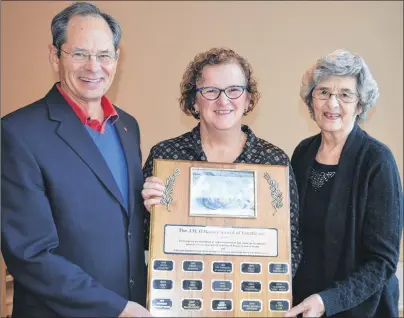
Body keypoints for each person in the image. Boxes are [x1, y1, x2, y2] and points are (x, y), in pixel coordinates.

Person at [1, 2, 151, 317]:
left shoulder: (127, 126)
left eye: (104, 55)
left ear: (116, 59)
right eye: (79, 54)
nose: (93, 67)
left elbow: (123, 225)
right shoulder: (17, 133)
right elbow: (29, 254)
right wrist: (117, 309)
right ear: (55, 56)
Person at [141, 47, 303, 277]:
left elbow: (291, 241)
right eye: (210, 91)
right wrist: (149, 212)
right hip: (183, 291)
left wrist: (270, 290)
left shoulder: (274, 161)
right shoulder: (165, 155)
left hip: (250, 296)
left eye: (234, 90)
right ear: (194, 102)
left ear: (248, 99)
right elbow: (143, 239)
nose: (223, 100)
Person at [285, 49, 403, 317]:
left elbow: (382, 262)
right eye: (323, 92)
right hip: (304, 304)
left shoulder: (377, 160)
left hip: (359, 309)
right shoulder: (302, 152)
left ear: (360, 104)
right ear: (311, 99)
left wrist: (328, 300)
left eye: (345, 95)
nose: (332, 104)